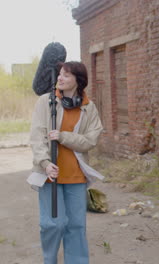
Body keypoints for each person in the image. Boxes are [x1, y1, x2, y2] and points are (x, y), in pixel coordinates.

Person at [29, 61, 103, 264]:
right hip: (49, 172)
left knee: (77, 226)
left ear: (78, 82)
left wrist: (63, 136)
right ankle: (49, 260)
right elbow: (37, 137)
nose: (60, 78)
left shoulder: (88, 107)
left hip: (75, 174)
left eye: (66, 75)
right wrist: (44, 163)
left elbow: (90, 141)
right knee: (53, 224)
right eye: (60, 74)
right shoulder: (46, 102)